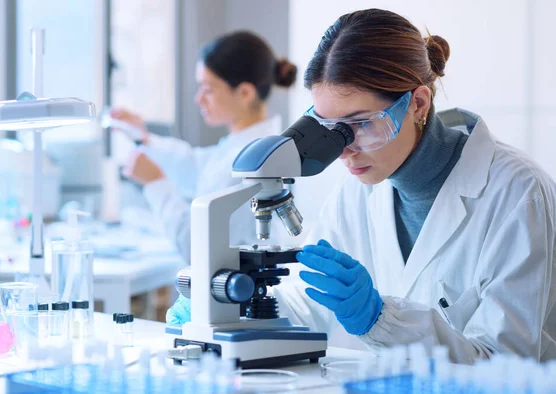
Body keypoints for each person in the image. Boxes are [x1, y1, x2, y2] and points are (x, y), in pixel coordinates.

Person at [167, 9, 556, 364]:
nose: (344, 150)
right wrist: (230, 311)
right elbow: (311, 304)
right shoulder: (359, 188)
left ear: (418, 104)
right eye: (330, 130)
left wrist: (379, 319)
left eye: (362, 123)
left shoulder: (517, 192)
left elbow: (508, 365)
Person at [111, 31, 297, 263]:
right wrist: (144, 139)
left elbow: (198, 247)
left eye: (208, 89)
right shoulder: (243, 145)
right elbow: (196, 166)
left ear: (245, 93)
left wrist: (155, 184)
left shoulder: (255, 162)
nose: (198, 99)